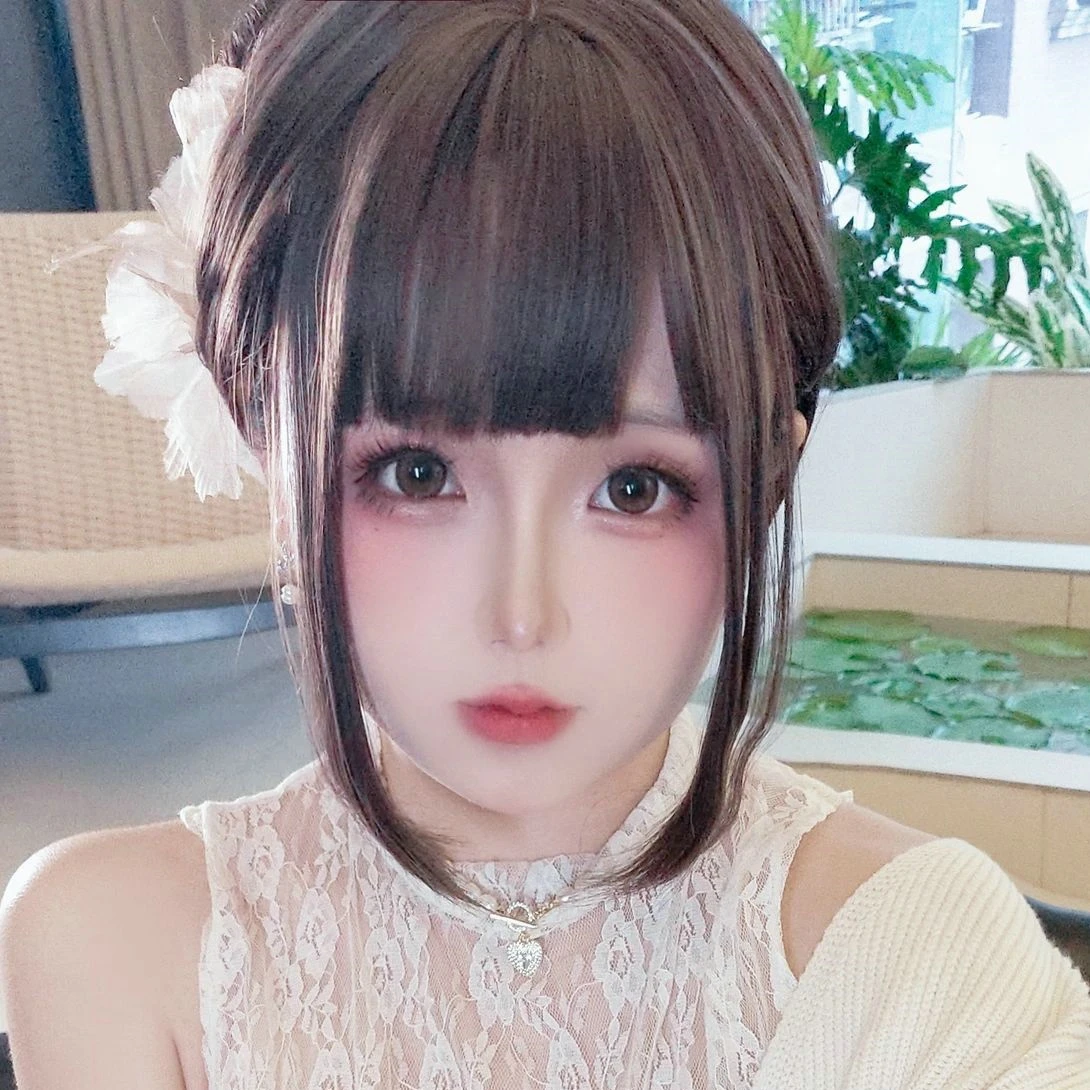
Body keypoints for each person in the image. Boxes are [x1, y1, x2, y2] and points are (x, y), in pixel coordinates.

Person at [2, 1, 1089, 1087]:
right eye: (416, 474)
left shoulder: (919, 963)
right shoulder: (114, 951)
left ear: (763, 480)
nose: (522, 615)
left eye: (633, 489)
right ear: (270, 452)